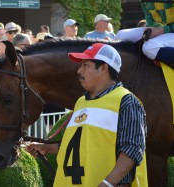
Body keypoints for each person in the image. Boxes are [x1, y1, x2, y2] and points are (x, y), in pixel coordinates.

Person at [26, 43, 147, 186]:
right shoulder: (81, 102)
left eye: (85, 65)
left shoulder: (127, 102)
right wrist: (46, 148)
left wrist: (107, 184)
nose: (79, 71)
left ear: (103, 68)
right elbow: (82, 142)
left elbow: (133, 149)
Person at [115, 1, 174, 68]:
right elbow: (151, 21)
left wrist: (162, 30)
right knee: (120, 36)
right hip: (163, 30)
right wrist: (153, 31)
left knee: (150, 47)